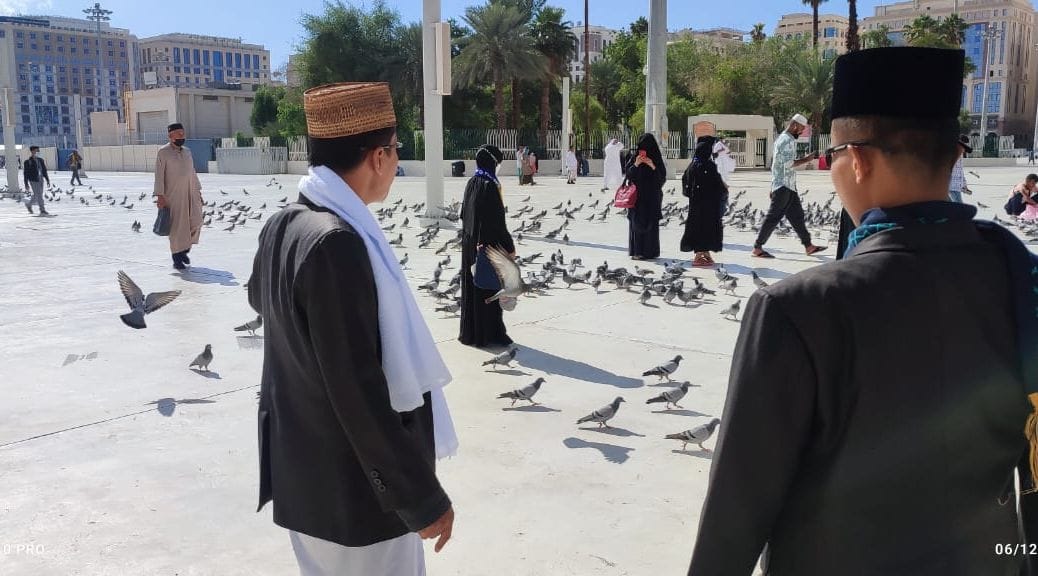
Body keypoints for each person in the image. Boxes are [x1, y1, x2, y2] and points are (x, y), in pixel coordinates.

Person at [688, 47, 1038, 576]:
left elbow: (735, 517)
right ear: (955, 155)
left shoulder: (796, 308)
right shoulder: (1019, 280)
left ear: (858, 160)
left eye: (831, 156)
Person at [247, 82, 457, 576]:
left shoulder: (284, 224)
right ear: (378, 156)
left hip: (304, 478)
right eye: (396, 150)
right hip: (357, 495)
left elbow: (260, 298)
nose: (396, 162)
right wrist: (420, 497)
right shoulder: (336, 242)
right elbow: (358, 390)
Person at [459, 145, 515, 349]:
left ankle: (472, 332)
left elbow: (463, 214)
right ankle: (489, 334)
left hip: (470, 243)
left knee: (474, 286)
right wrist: (509, 246)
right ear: (493, 163)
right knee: (488, 288)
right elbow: (497, 222)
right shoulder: (490, 185)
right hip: (488, 245)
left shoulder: (472, 182)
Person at [752, 114, 827, 259]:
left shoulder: (787, 139)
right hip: (783, 187)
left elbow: (777, 164)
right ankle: (757, 248)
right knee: (773, 217)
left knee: (797, 217)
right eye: (801, 128)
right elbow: (788, 164)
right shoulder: (786, 140)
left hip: (789, 186)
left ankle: (809, 246)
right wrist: (806, 159)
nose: (802, 131)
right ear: (794, 125)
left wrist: (772, 185)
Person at [154, 123, 203, 270]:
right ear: (170, 136)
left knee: (196, 221)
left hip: (191, 192)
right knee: (178, 228)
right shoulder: (163, 152)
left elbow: (192, 172)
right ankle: (177, 258)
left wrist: (198, 191)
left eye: (183, 133)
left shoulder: (187, 152)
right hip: (173, 196)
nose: (182, 136)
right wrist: (160, 195)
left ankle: (184, 250)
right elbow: (159, 175)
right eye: (179, 134)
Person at [680, 136, 727, 267]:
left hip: (696, 206)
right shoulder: (708, 165)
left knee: (698, 227)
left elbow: (685, 183)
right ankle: (698, 256)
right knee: (706, 228)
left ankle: (704, 253)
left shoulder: (692, 165)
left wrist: (691, 196)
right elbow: (717, 185)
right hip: (709, 206)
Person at [625, 133, 666, 260]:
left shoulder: (656, 159)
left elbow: (662, 179)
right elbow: (628, 175)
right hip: (637, 197)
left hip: (652, 197)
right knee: (636, 223)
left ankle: (650, 252)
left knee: (651, 224)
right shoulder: (634, 158)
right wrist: (636, 164)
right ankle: (637, 252)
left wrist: (652, 166)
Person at [23, 145, 50, 216]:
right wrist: (26, 184)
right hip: (33, 180)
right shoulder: (28, 162)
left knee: (37, 195)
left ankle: (29, 205)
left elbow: (44, 170)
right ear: (32, 151)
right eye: (36, 150)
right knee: (39, 195)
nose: (38, 152)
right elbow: (25, 173)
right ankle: (42, 210)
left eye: (38, 150)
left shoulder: (41, 160)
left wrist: (47, 179)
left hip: (40, 179)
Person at [948, 135, 971, 203]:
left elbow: (961, 172)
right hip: (952, 186)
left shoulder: (960, 156)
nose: (964, 149)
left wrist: (964, 185)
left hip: (956, 187)